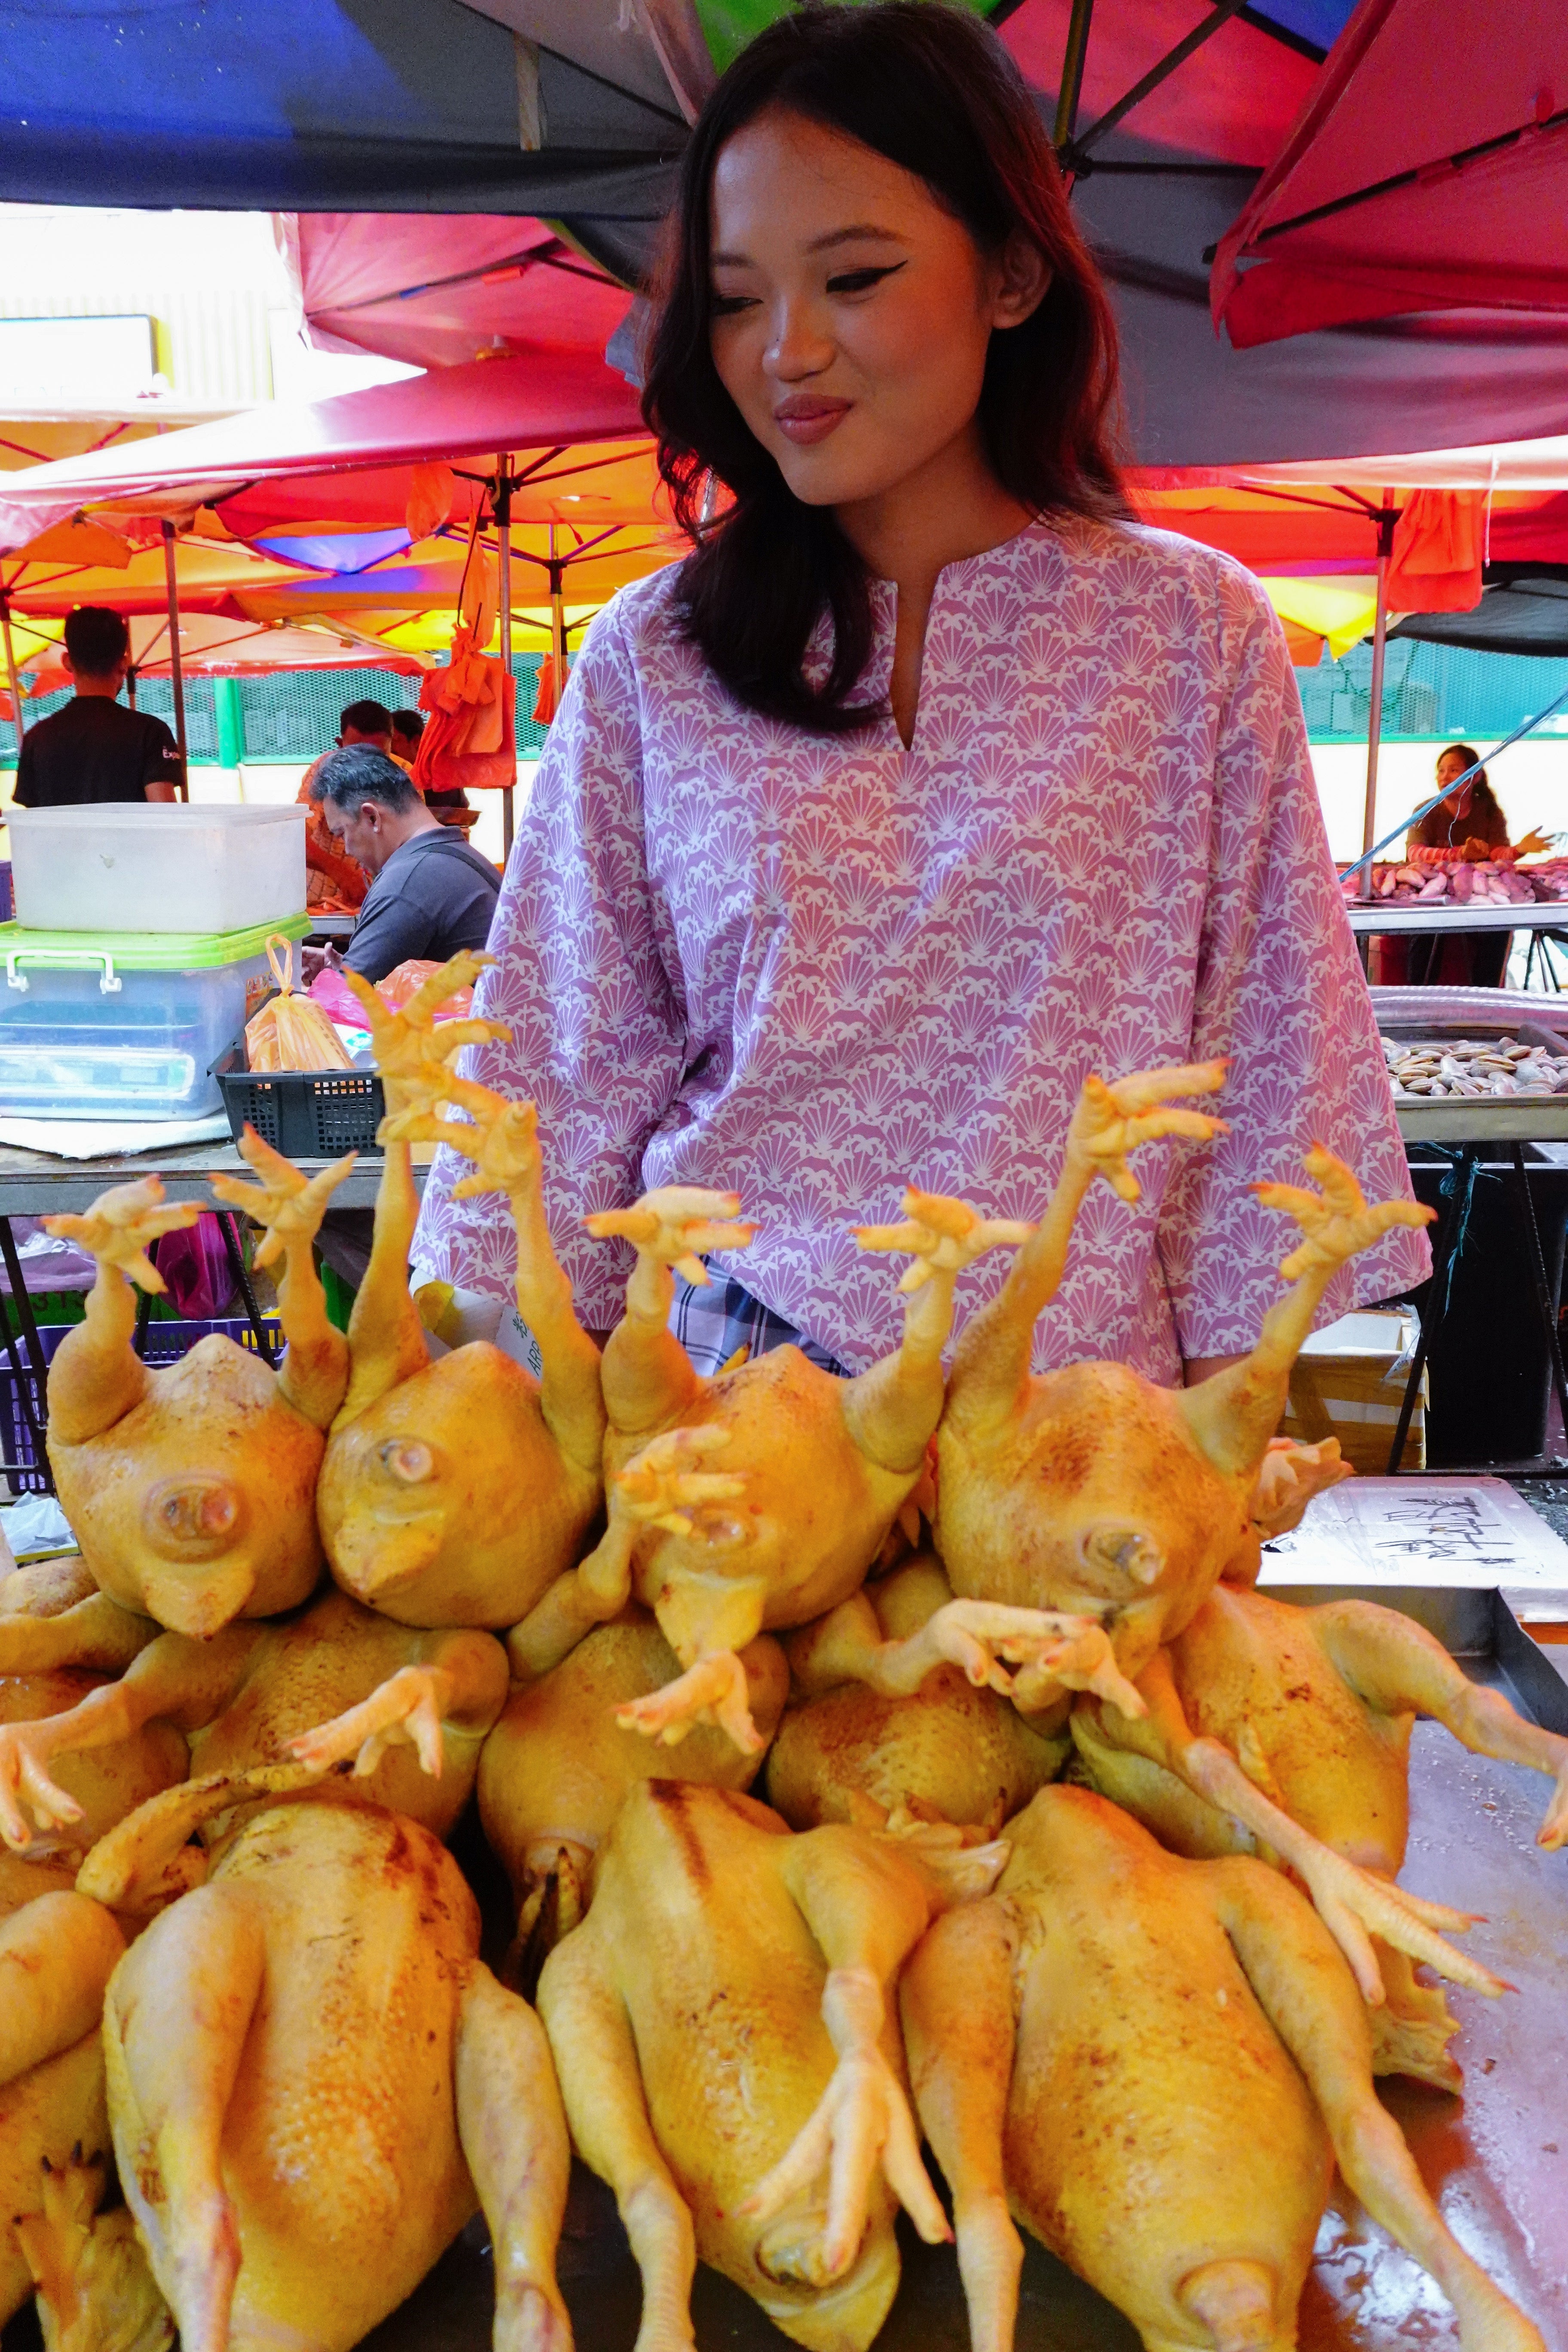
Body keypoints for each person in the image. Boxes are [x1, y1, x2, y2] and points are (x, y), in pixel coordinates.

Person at [413, 2, 1429, 1382]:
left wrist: (1228, 1435)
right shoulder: (654, 656)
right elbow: (563, 1056)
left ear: (1011, 274)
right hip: (722, 1406)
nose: (784, 350)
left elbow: (1273, 1049)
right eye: (734, 295)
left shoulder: (1189, 632)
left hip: (1070, 1418)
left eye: (853, 277)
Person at [311, 744, 499, 983]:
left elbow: (346, 1000)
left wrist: (336, 980)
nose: (347, 849)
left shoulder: (407, 883)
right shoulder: (459, 855)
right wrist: (344, 966)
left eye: (341, 833)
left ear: (372, 817)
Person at [12, 607, 182, 807]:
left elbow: (31, 823)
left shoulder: (36, 738)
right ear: (124, 664)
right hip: (130, 840)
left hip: (58, 840)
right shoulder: (151, 732)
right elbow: (166, 814)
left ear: (67, 662)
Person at [1405, 744, 1511, 986]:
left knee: (1498, 928)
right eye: (1441, 771)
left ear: (1476, 777)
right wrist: (1461, 853)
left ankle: (1485, 1000)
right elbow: (1415, 853)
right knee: (1424, 929)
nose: (1444, 777)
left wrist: (1519, 851)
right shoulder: (1426, 810)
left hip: (1479, 896)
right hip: (1433, 895)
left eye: (1453, 770)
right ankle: (1420, 1000)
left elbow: (1499, 855)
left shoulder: (1490, 812)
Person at [391, 707, 477, 832]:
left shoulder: (442, 777)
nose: (390, 749)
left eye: (394, 741)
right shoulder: (388, 776)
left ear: (415, 741)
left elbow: (461, 813)